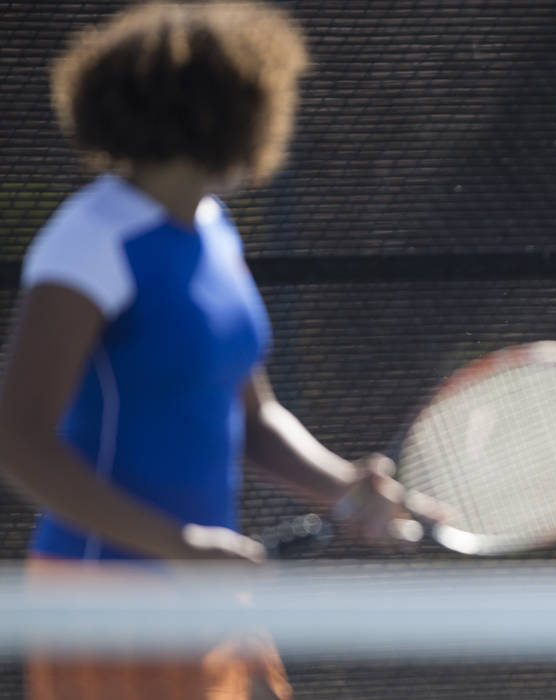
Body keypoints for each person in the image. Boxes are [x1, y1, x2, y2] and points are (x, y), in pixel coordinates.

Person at [0, 3, 441, 698]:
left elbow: (253, 418)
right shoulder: (88, 241)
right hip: (105, 609)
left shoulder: (213, 228)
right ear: (228, 114)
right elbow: (19, 440)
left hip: (207, 596)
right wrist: (182, 547)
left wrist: (343, 487)